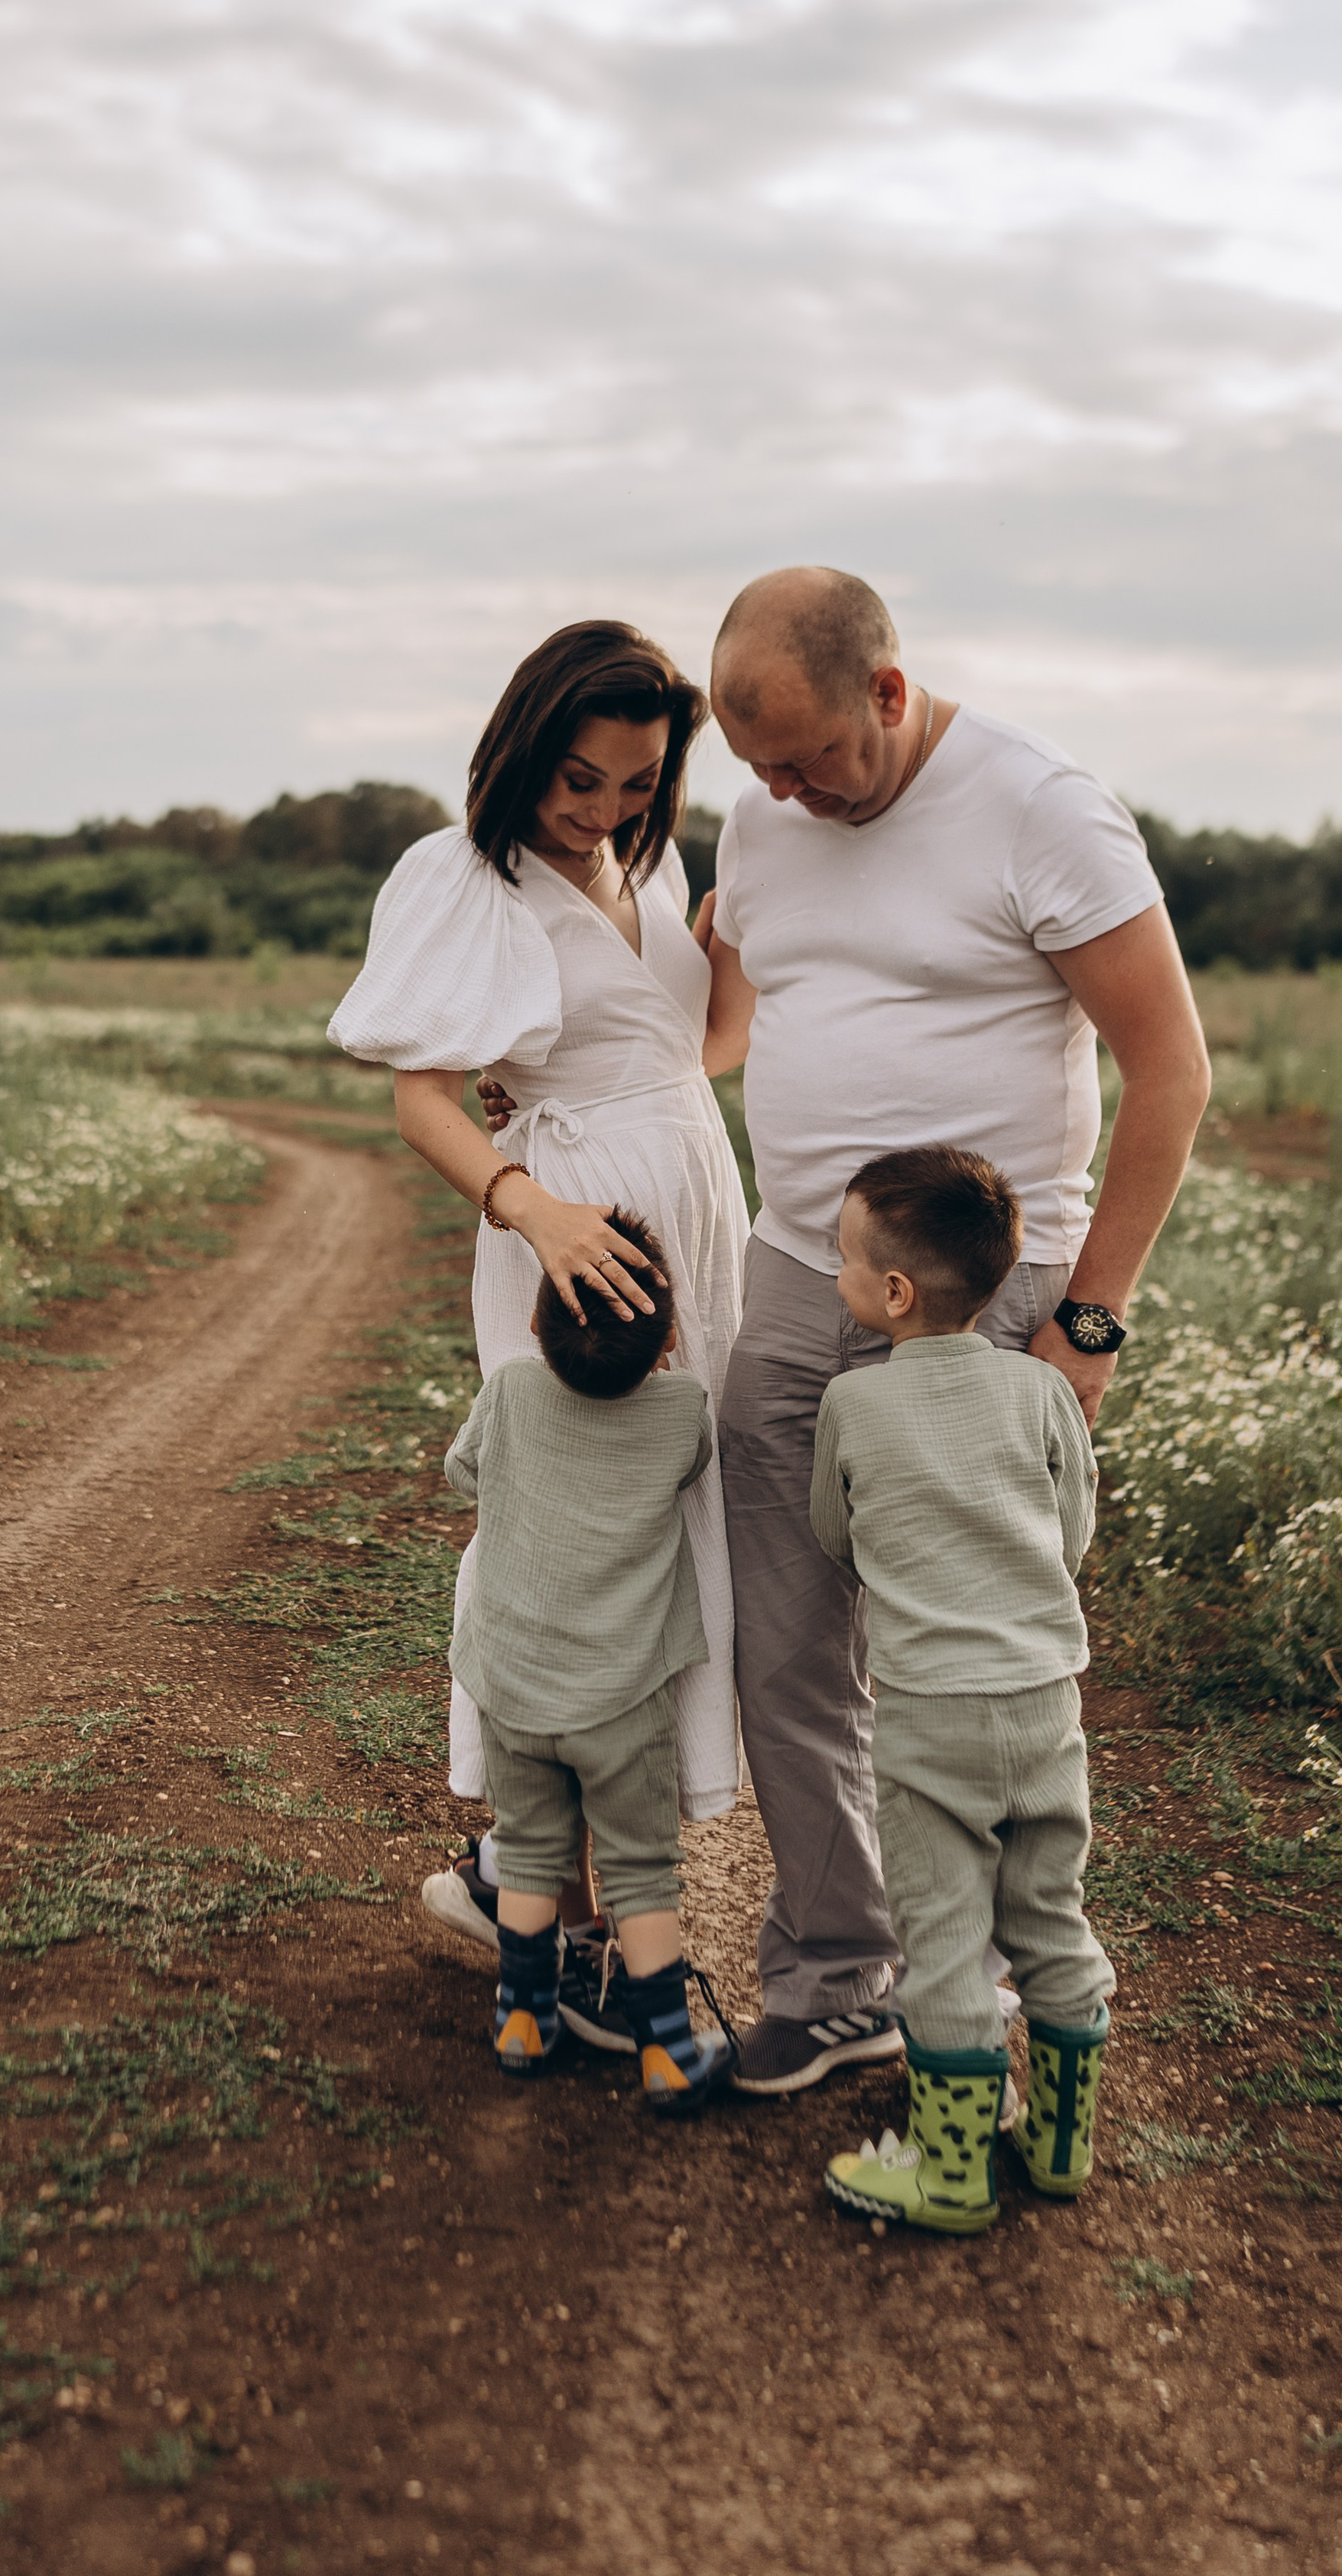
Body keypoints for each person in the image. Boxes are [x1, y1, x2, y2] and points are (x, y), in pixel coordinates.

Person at [700, 565, 1208, 2094]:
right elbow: (736, 1008)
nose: (785, 795)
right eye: (758, 769)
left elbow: (1168, 1070)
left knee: (955, 1664)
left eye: (810, 759)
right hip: (795, 1273)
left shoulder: (1041, 808)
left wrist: (1088, 1323)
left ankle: (975, 1989)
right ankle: (835, 1974)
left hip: (984, 1303)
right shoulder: (761, 820)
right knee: (788, 1647)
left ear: (888, 689)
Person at [328, 620, 750, 2051]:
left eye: (637, 782)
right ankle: (554, 1912)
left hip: (691, 1211)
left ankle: (529, 1877)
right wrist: (536, 1210)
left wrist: (736, 955)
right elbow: (424, 1100)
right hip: (568, 1236)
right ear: (522, 749)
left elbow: (685, 1056)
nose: (605, 809)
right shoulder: (463, 877)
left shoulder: (652, 866)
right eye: (580, 779)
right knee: (577, 1533)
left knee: (679, 1516)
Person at [812, 1146, 1113, 2233]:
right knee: (1050, 1917)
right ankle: (1061, 2146)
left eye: (845, 1259)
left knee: (941, 1942)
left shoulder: (851, 1402)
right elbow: (1071, 1532)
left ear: (893, 1292)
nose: (836, 1273)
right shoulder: (1041, 1389)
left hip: (930, 1713)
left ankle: (948, 2176)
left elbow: (835, 1537)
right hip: (1044, 1704)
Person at [444, 1211, 738, 2113]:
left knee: (533, 1853)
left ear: (534, 1324)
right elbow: (687, 1470)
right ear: (668, 1341)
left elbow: (463, 1471)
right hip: (621, 1698)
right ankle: (667, 2052)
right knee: (641, 1870)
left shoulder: (511, 1392)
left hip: (513, 1688)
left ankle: (523, 2022)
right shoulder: (681, 1412)